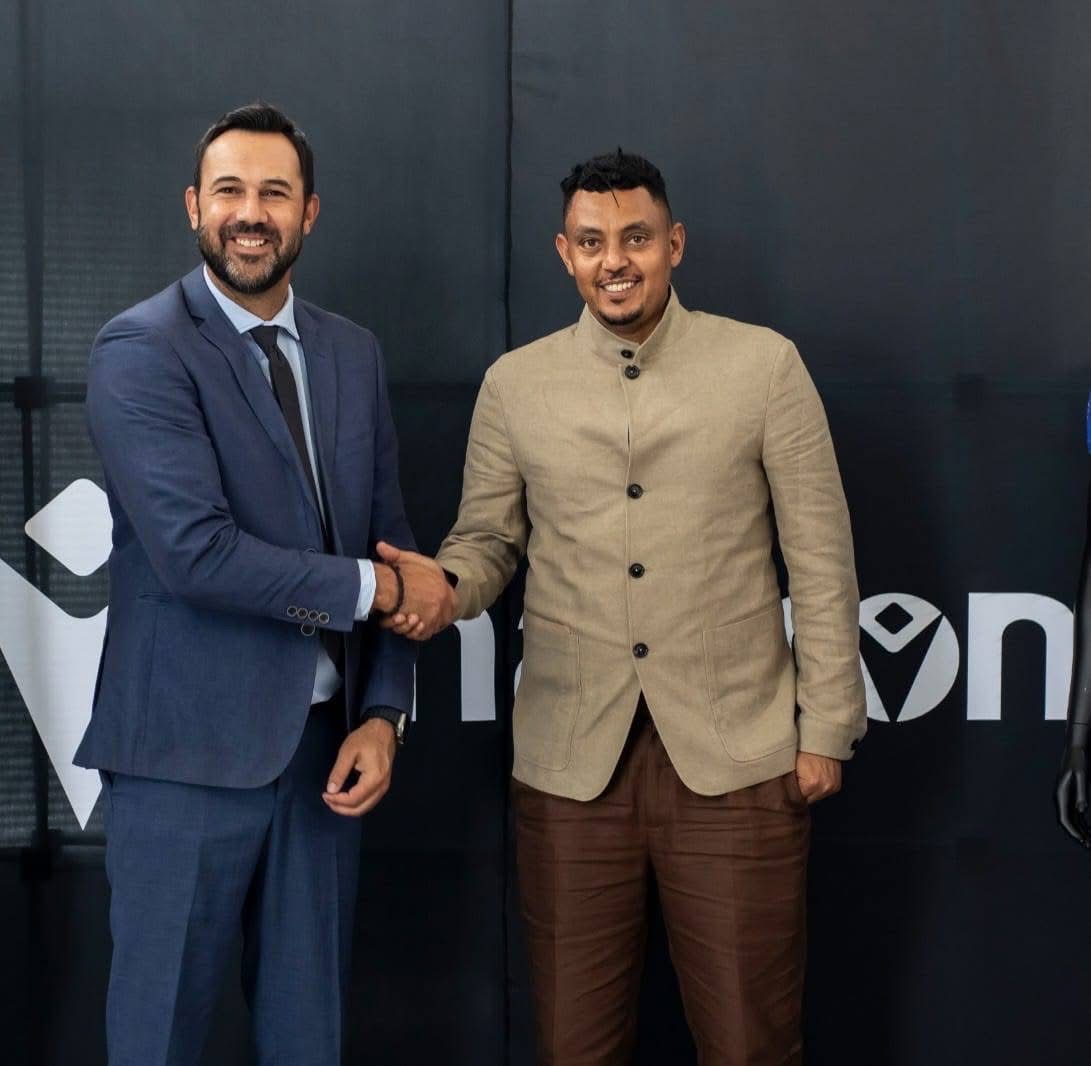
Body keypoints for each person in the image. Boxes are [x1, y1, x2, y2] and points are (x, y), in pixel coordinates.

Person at [383, 150, 866, 1064]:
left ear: (672, 244)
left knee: (751, 1045)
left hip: (739, 760)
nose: (615, 260)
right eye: (592, 241)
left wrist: (827, 729)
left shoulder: (764, 366)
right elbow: (487, 542)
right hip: (570, 767)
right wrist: (440, 589)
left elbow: (821, 560)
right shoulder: (514, 384)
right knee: (575, 1047)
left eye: (635, 239)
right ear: (563, 253)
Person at [73, 102, 452, 1066]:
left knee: (306, 1040)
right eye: (230, 191)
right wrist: (379, 592)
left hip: (326, 762)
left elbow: (392, 541)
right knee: (157, 1039)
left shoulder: (351, 352)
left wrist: (382, 713)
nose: (251, 212)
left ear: (308, 212)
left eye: (274, 192)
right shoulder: (141, 348)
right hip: (183, 763)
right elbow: (195, 554)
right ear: (193, 206)